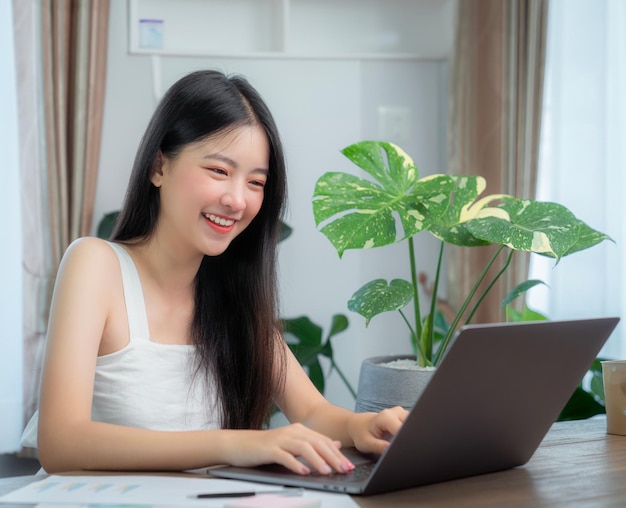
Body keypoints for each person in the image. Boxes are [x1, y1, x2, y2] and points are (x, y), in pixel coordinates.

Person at [21, 69, 408, 474]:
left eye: (256, 182)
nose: (237, 200)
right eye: (219, 171)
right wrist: (236, 444)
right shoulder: (95, 265)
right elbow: (62, 443)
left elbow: (311, 411)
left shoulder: (234, 296)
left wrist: (363, 424)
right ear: (159, 167)